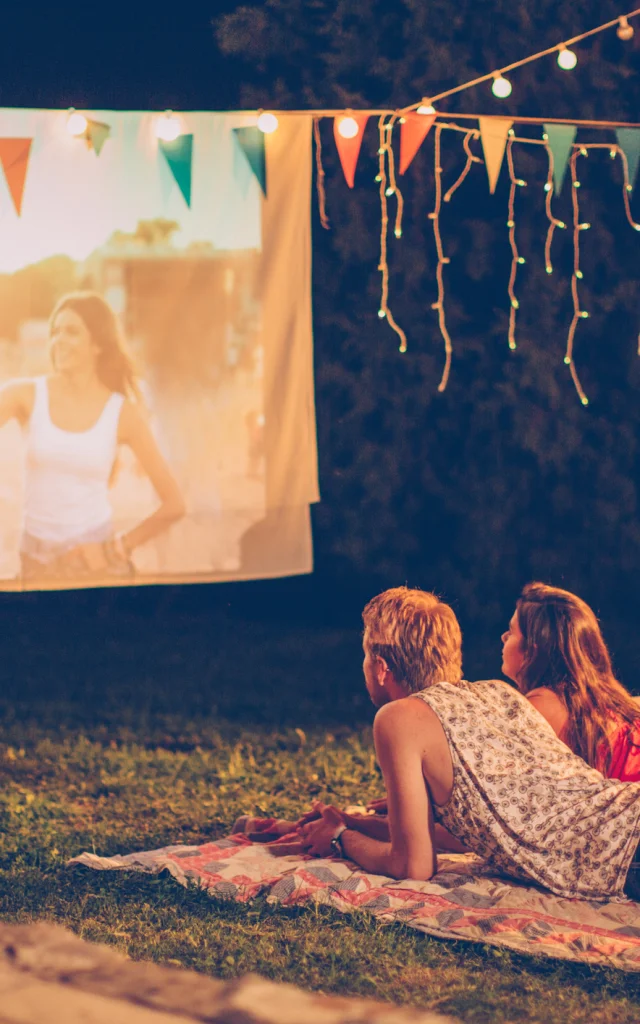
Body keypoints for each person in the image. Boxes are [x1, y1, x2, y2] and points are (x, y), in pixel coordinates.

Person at [297, 587, 640, 901]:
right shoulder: (499, 694)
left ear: (382, 668)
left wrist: (340, 835)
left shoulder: (398, 718)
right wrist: (354, 821)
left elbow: (412, 866)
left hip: (622, 848)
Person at [0, 292, 185, 581]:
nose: (59, 340)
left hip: (95, 567)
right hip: (35, 563)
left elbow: (174, 503)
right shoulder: (24, 395)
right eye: (55, 331)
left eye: (71, 332)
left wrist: (116, 549)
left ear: (98, 344)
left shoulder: (122, 413)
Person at [502, 582, 640, 780]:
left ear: (533, 650)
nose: (503, 637)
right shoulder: (611, 700)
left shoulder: (538, 707)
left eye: (511, 631)